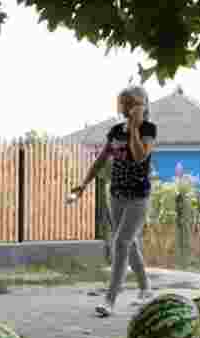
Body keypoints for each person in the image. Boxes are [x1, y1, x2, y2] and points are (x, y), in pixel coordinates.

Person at [67, 85, 156, 318]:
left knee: (120, 243)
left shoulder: (148, 129)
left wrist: (135, 128)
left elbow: (139, 157)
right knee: (129, 243)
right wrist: (83, 184)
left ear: (142, 105)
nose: (126, 107)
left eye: (131, 103)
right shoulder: (115, 131)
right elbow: (101, 160)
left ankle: (110, 300)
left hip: (138, 197)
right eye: (123, 103)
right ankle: (146, 288)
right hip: (116, 194)